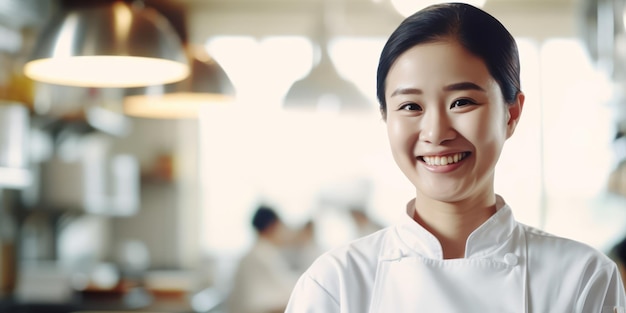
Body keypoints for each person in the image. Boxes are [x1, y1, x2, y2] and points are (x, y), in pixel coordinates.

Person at [285, 3, 626, 312]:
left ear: (511, 113)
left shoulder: (581, 279)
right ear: (386, 117)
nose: (435, 132)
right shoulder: (334, 285)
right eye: (410, 107)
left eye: (461, 102)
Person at [226, 205, 298, 313]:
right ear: (272, 226)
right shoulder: (258, 257)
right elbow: (262, 304)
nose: (285, 232)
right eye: (282, 226)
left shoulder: (263, 253)